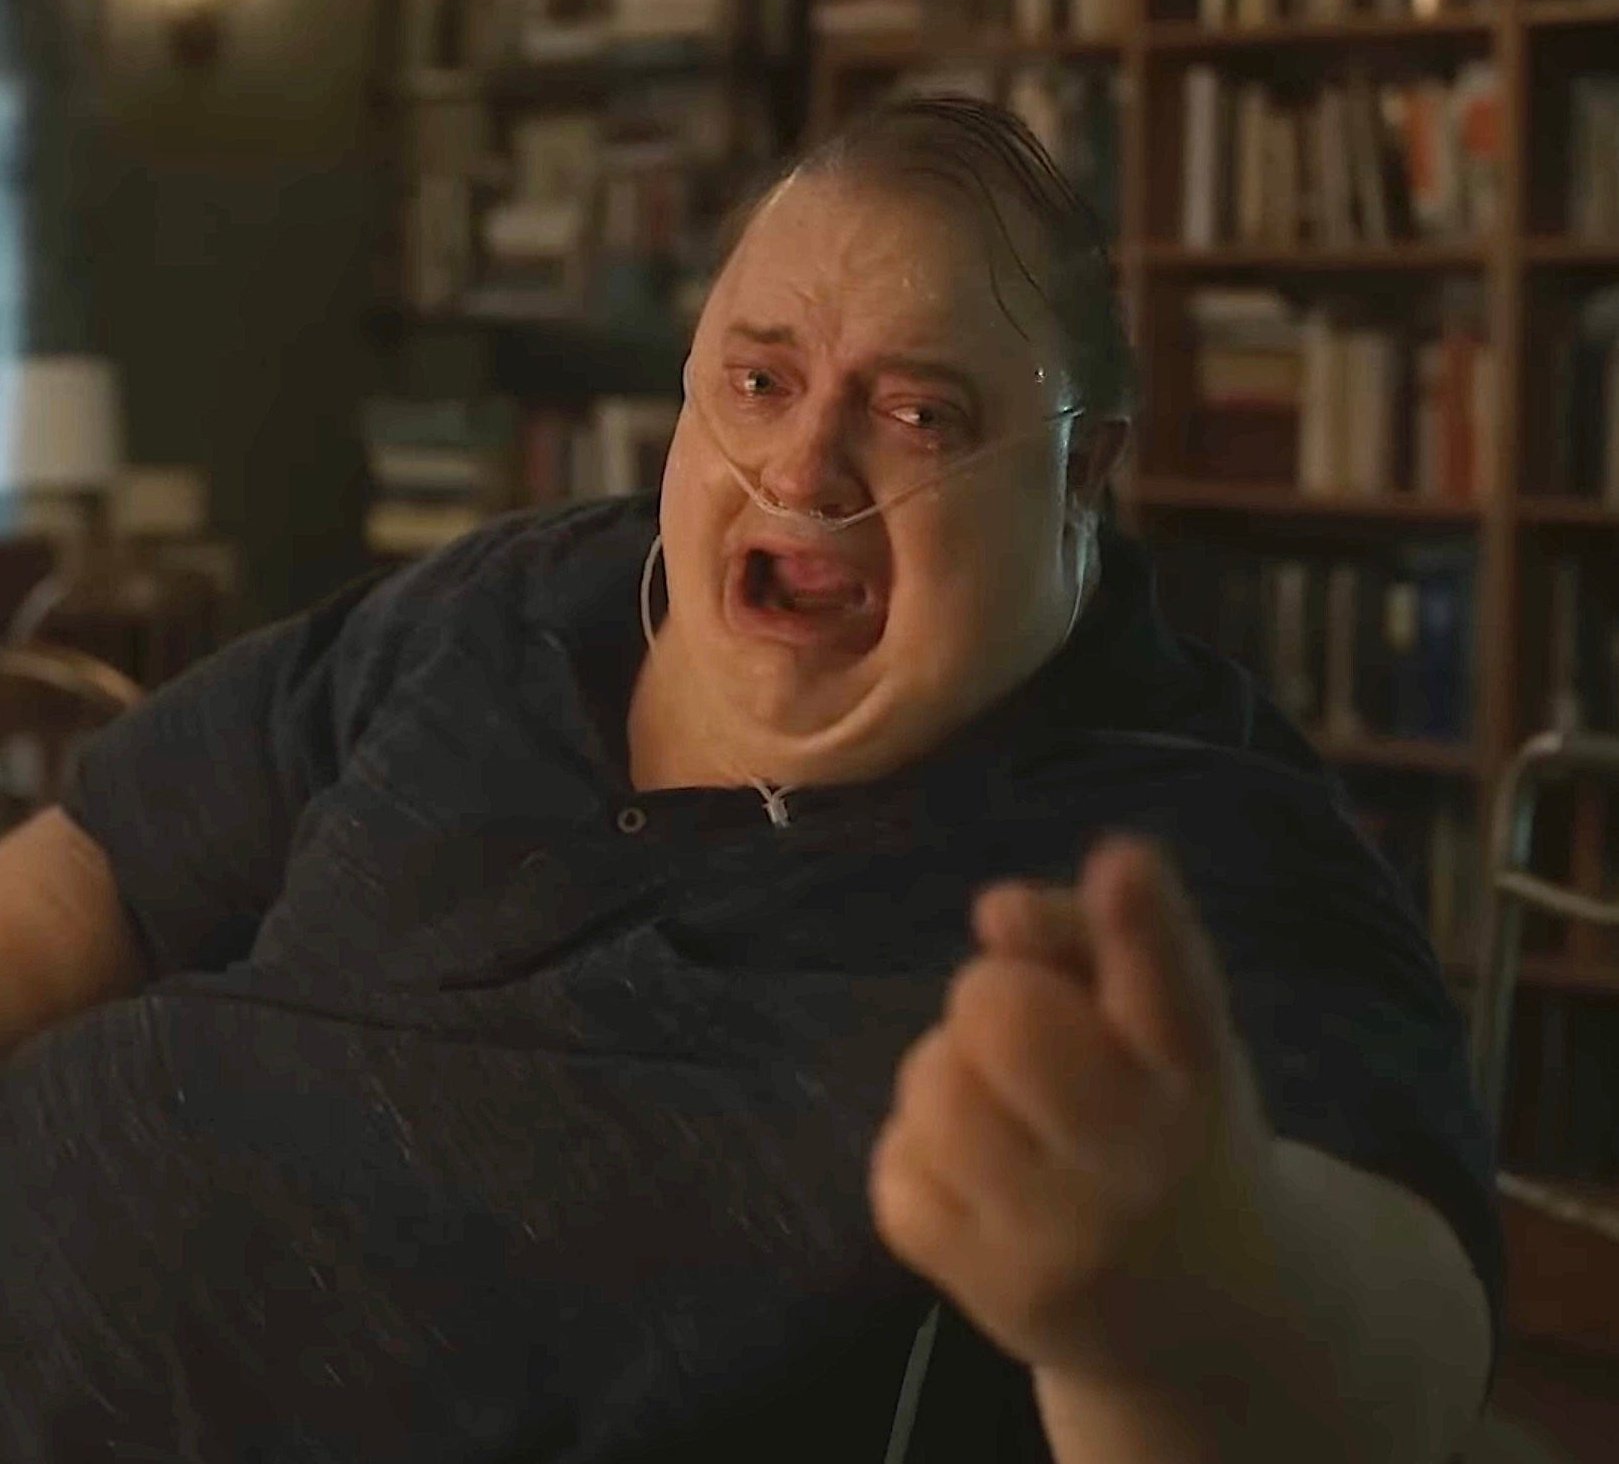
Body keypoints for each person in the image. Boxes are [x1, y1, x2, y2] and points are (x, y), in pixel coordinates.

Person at [0, 97, 1497, 1463]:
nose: (803, 470)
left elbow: (1411, 1358)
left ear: (1081, 472)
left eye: (919, 413)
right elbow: (88, 872)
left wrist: (1195, 1288)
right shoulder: (517, 597)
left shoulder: (1183, 840)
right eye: (761, 381)